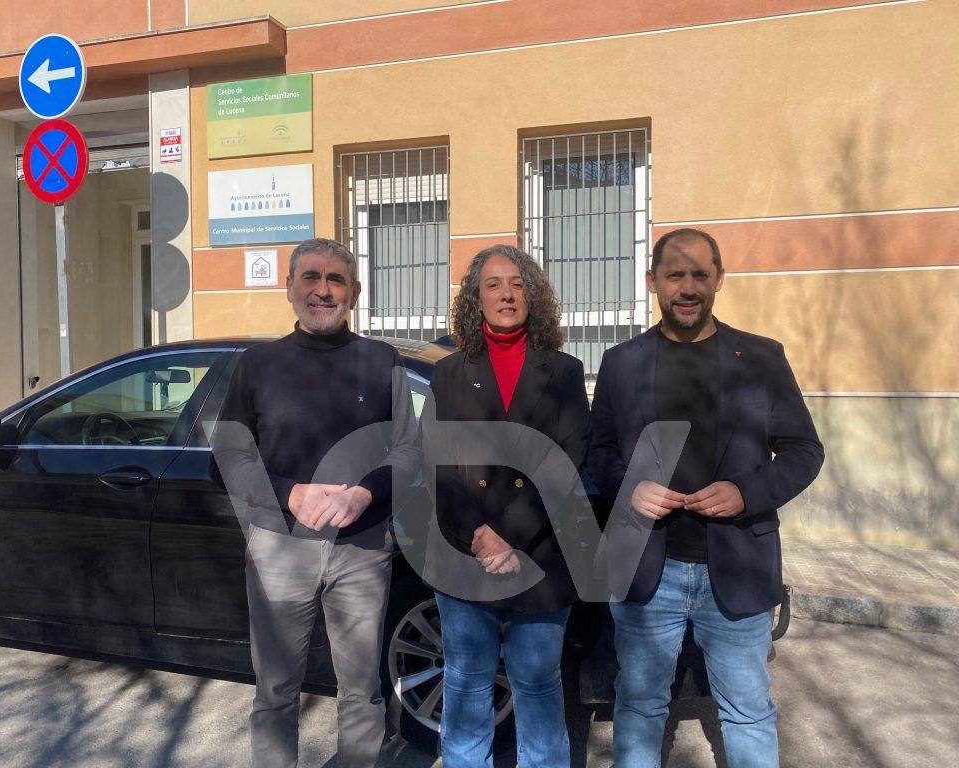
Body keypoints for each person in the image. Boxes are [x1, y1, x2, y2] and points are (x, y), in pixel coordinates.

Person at [588, 228, 824, 768]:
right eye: (675, 275)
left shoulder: (761, 358)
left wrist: (746, 492)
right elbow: (598, 452)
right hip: (648, 569)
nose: (688, 287)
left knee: (747, 711)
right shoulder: (621, 362)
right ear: (652, 281)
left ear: (719, 278)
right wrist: (630, 487)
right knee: (639, 706)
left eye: (700, 273)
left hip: (737, 565)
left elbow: (804, 451)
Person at [212, 238, 420, 768]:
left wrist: (367, 492)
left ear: (355, 291)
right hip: (280, 547)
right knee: (275, 691)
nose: (322, 290)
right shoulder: (258, 364)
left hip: (361, 548)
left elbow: (410, 451)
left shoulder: (382, 361)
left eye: (335, 280)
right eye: (310, 277)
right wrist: (291, 493)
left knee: (361, 691)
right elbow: (228, 457)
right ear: (289, 287)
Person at [426, 244, 589, 767]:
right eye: (493, 284)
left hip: (540, 551)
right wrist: (479, 536)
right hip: (464, 551)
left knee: (538, 684)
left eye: (518, 284)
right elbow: (438, 466)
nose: (507, 294)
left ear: (533, 296)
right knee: (466, 681)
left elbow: (566, 461)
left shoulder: (565, 372)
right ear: (476, 299)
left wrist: (510, 535)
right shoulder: (448, 373)